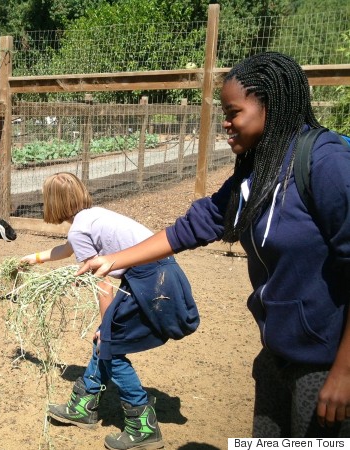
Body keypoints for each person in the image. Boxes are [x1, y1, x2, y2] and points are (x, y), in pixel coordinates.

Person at [77, 52, 350, 438]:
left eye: (233, 111)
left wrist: (345, 372)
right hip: (278, 355)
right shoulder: (258, 169)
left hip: (325, 365)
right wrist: (111, 259)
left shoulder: (326, 162)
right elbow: (193, 227)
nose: (226, 123)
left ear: (269, 104)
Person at [21, 172, 199, 450]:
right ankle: (83, 404)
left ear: (52, 203)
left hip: (150, 281)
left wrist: (106, 326)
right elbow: (69, 250)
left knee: (110, 344)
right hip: (161, 272)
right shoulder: (92, 216)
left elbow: (102, 284)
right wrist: (35, 258)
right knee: (103, 344)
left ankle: (142, 426)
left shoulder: (79, 229)